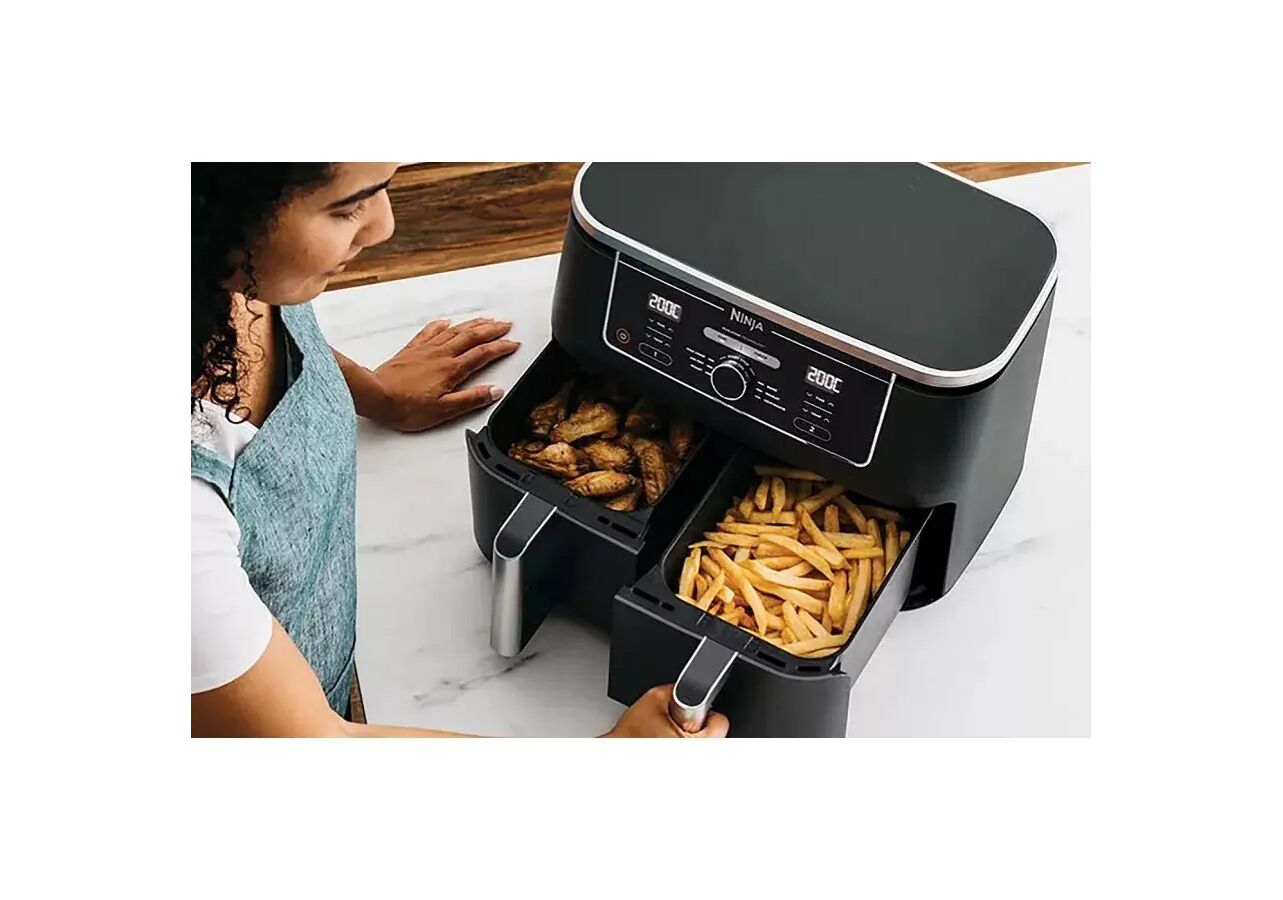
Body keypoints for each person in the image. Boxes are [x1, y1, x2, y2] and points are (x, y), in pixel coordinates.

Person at [191, 162, 729, 738]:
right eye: (348, 208)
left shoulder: (226, 278)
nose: (385, 227)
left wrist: (375, 392)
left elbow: (251, 325)